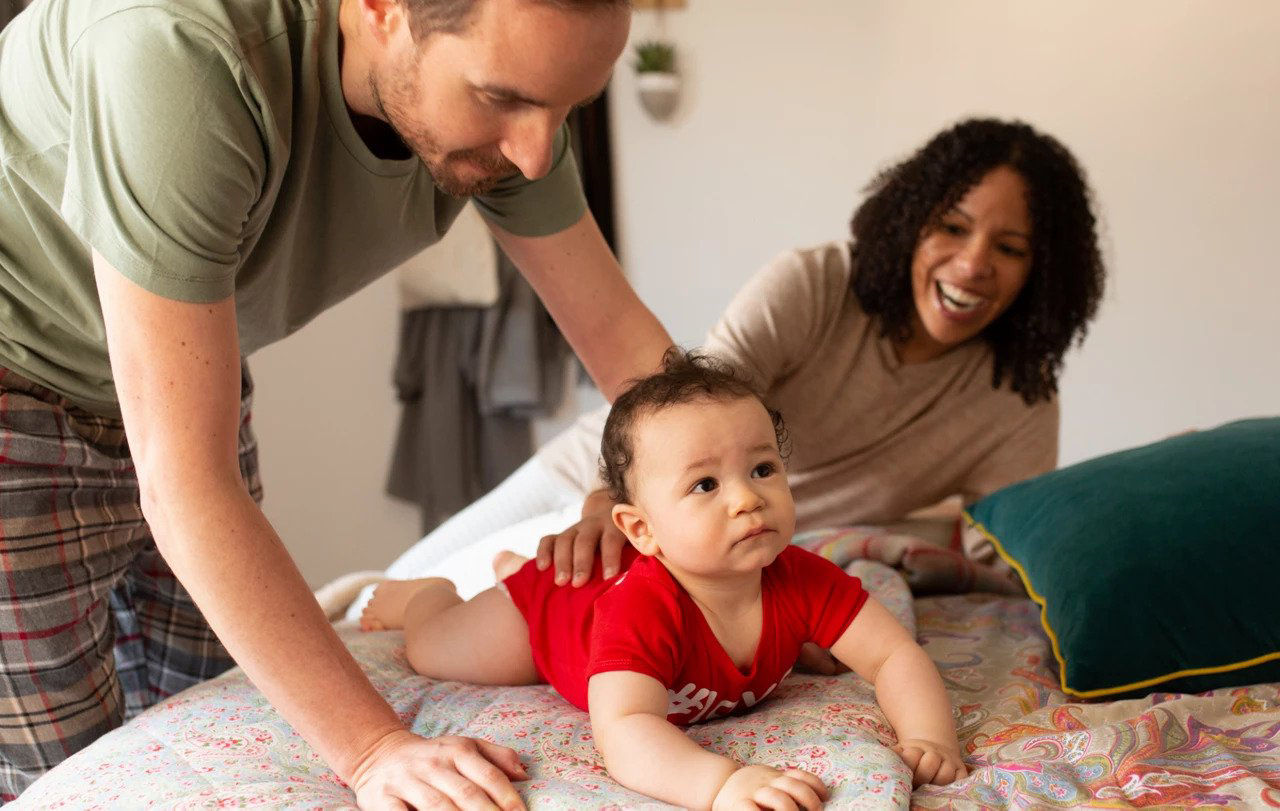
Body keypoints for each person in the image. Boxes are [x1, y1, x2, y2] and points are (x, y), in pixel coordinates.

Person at [0, 0, 672, 804]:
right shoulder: (178, 52)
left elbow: (634, 358)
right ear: (382, 10)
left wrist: (649, 487)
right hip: (17, 389)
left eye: (563, 108)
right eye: (502, 98)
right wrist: (374, 746)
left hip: (183, 378)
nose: (535, 153)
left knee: (214, 730)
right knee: (71, 777)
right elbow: (184, 486)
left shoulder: (515, 117)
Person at [375, 117, 1105, 605]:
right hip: (604, 472)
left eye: (1010, 250)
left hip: (723, 550)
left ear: (1042, 274)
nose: (973, 264)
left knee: (447, 610)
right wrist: (606, 505)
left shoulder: (1019, 398)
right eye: (952, 227)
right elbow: (682, 407)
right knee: (396, 589)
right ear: (912, 222)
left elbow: (1011, 554)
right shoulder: (816, 283)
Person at [361, 350, 967, 808]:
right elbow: (626, 729)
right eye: (705, 485)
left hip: (605, 587)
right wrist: (722, 783)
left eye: (762, 468)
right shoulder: (643, 609)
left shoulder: (803, 578)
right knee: (432, 649)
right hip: (552, 614)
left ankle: (513, 569)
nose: (746, 500)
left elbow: (893, 656)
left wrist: (929, 737)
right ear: (640, 530)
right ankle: (425, 594)